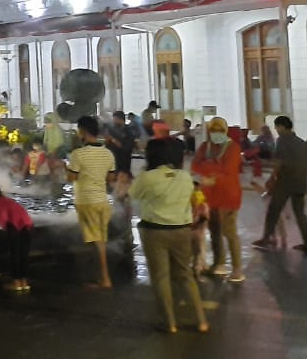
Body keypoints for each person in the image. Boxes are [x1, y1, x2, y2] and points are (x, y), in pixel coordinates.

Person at [129, 138, 208, 334]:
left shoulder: (147, 177)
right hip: (182, 230)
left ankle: (170, 323)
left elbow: (133, 195)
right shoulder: (184, 177)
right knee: (185, 275)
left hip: (154, 231)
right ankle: (201, 321)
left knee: (161, 277)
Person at [253, 116, 307, 254]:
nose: (276, 130)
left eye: (276, 127)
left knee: (273, 209)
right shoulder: (301, 142)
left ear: (282, 126)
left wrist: (272, 178)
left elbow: (279, 162)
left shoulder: (282, 140)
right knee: (300, 213)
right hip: (301, 181)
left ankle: (267, 238)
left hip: (286, 181)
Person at [190, 116, 244, 281]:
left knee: (229, 232)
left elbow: (228, 170)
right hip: (210, 197)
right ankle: (218, 264)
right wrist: (215, 169)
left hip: (229, 197)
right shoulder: (205, 146)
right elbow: (194, 165)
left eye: (220, 131)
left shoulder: (233, 148)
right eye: (213, 131)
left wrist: (209, 170)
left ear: (225, 131)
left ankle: (237, 269)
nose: (216, 134)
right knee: (214, 231)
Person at [66, 115, 116, 289]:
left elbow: (71, 177)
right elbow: (111, 178)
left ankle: (105, 279)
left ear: (83, 131)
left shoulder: (78, 154)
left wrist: (67, 166)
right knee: (98, 240)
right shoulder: (108, 153)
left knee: (97, 242)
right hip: (103, 201)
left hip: (87, 201)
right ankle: (99, 276)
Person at [0, 182, 33, 292]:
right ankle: (24, 283)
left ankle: (17, 283)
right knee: (23, 255)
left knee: (14, 255)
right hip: (27, 225)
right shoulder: (7, 200)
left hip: (13, 227)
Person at [104, 111, 136, 178]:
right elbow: (107, 147)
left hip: (124, 165)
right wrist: (107, 141)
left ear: (121, 120)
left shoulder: (129, 132)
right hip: (113, 166)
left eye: (116, 120)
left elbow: (126, 148)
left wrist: (113, 140)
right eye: (114, 120)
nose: (114, 122)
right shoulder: (112, 130)